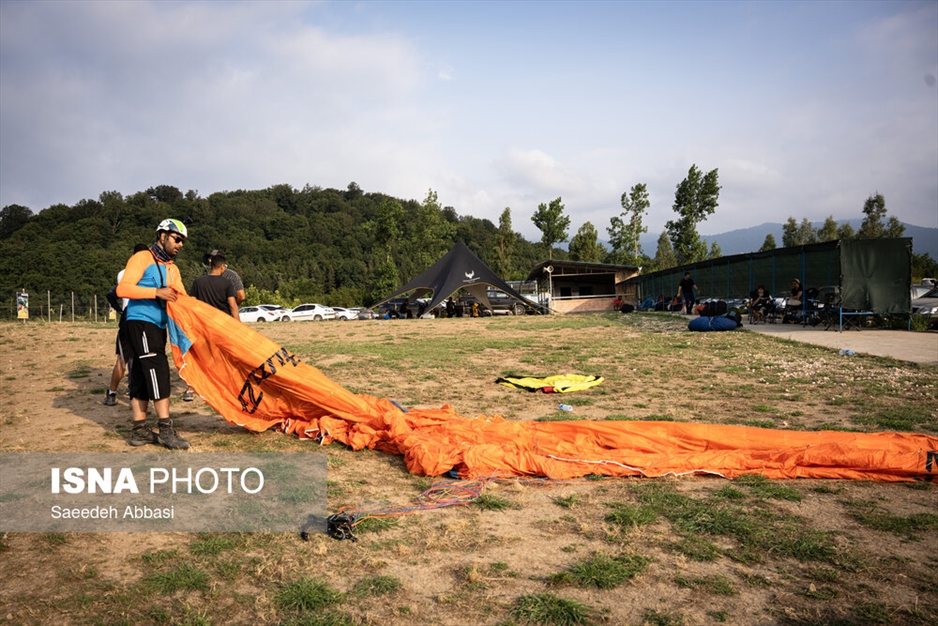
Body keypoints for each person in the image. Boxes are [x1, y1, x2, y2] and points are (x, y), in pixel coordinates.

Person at [116, 218, 190, 450]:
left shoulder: (173, 268)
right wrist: (155, 292)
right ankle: (166, 428)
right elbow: (123, 288)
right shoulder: (142, 258)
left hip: (159, 326)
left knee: (138, 372)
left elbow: (182, 297)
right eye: (177, 239)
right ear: (162, 236)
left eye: (182, 242)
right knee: (158, 369)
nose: (180, 245)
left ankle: (139, 430)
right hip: (140, 322)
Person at [183, 254, 239, 402]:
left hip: (202, 324)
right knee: (222, 356)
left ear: (210, 266)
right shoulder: (227, 283)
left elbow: (192, 303)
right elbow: (232, 305)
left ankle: (190, 389)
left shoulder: (198, 282)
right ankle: (224, 386)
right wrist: (238, 326)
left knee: (199, 356)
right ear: (222, 267)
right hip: (222, 324)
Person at [103, 243, 149, 406]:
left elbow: (111, 294)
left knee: (122, 359)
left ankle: (112, 394)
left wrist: (119, 310)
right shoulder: (151, 272)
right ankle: (143, 395)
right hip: (147, 317)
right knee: (145, 358)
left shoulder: (123, 273)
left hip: (129, 317)